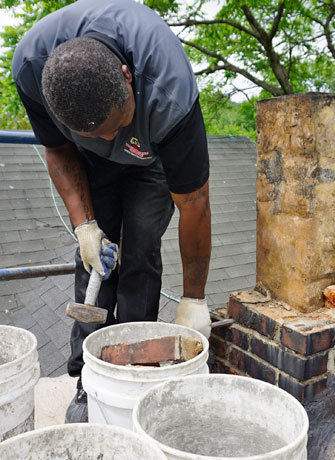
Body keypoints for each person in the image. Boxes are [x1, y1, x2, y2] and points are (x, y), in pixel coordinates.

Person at [12, 0, 212, 421]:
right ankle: (88, 381)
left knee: (139, 251)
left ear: (126, 77)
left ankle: (132, 373)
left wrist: (194, 298)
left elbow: (194, 204)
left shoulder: (168, 90)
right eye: (97, 132)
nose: (111, 137)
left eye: (116, 125)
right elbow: (57, 148)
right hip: (86, 163)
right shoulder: (32, 68)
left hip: (152, 158)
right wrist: (85, 225)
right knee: (96, 264)